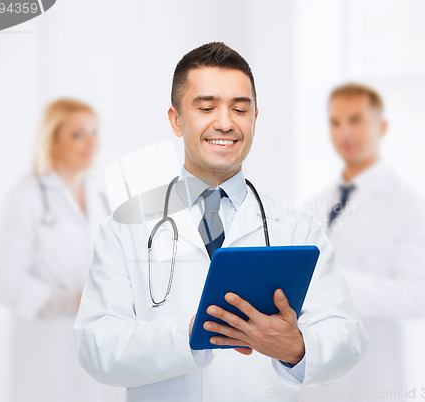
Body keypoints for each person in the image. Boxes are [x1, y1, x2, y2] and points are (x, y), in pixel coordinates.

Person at [74, 42, 368, 402]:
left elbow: (348, 336)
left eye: (240, 109)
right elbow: (95, 346)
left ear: (255, 120)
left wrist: (297, 347)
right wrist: (190, 334)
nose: (226, 122)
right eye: (207, 107)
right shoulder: (125, 226)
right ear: (176, 119)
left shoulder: (295, 226)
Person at [302, 83, 425, 401]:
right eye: (335, 123)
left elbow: (421, 296)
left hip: (377, 378)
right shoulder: (313, 206)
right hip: (318, 380)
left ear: (382, 126)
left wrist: (335, 284)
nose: (344, 132)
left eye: (356, 120)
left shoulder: (411, 205)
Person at [0, 99, 124, 402]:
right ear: (51, 142)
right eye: (77, 135)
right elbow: (3, 281)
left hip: (95, 346)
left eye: (94, 132)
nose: (91, 143)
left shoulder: (100, 196)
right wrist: (65, 302)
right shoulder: (24, 195)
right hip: (46, 346)